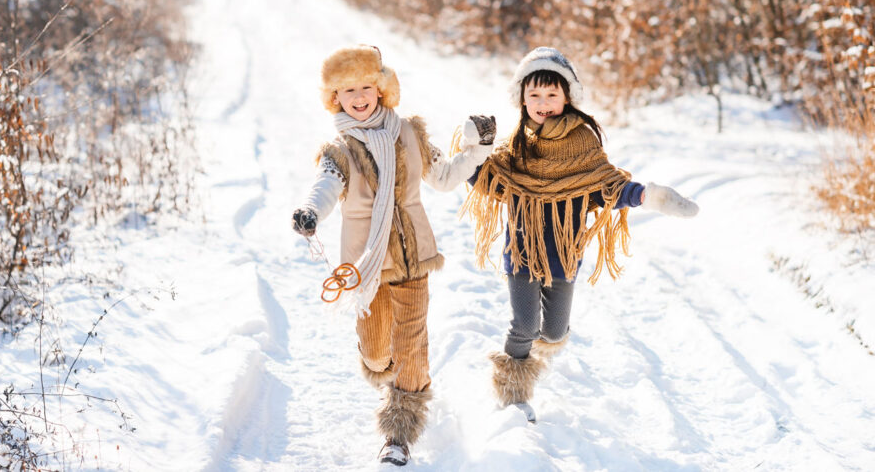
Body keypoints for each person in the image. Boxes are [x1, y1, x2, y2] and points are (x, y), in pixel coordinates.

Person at [461, 46, 699, 422]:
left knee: (554, 333)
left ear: (567, 97)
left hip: (563, 253)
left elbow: (606, 186)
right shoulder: (517, 144)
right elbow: (492, 182)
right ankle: (513, 396)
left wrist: (648, 196)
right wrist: (472, 156)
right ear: (522, 98)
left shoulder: (583, 142)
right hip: (522, 249)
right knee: (524, 326)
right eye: (534, 94)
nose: (543, 103)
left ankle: (535, 347)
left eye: (551, 94)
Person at [291, 45, 497, 466]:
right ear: (335, 98)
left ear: (382, 90)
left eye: (366, 87)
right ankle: (383, 364)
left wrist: (479, 149)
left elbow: (444, 177)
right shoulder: (339, 151)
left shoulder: (410, 134)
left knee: (411, 344)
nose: (359, 97)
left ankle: (398, 433)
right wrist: (310, 211)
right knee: (376, 353)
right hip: (366, 266)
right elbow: (326, 186)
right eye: (349, 90)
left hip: (413, 257)